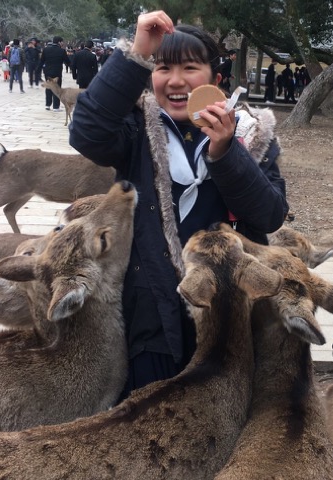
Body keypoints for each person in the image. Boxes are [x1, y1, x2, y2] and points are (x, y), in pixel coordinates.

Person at [69, 10, 288, 398]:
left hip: (225, 308)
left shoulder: (251, 135)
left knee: (219, 410)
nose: (175, 80)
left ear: (215, 80)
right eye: (162, 67)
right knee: (149, 410)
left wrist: (225, 152)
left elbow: (269, 215)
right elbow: (86, 132)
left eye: (189, 68)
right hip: (151, 307)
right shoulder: (136, 129)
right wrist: (136, 53)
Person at [37, 36, 70, 111]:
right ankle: (56, 106)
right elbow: (67, 62)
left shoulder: (46, 50)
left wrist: (38, 71)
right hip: (57, 72)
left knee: (48, 87)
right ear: (59, 42)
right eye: (62, 42)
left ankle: (48, 105)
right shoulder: (62, 51)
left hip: (47, 71)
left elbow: (41, 61)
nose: (62, 43)